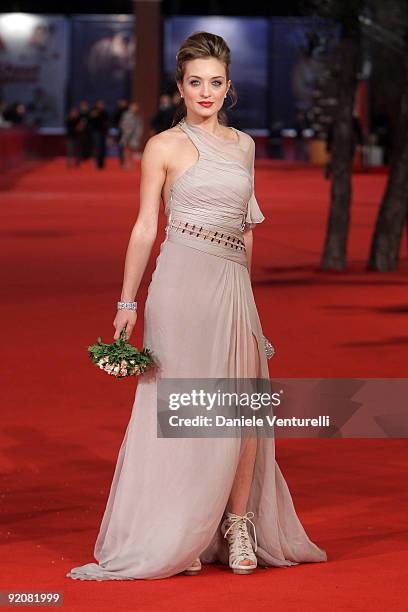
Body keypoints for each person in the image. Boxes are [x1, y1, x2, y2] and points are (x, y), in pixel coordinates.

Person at [66, 31, 327, 581]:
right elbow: (144, 226)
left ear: (228, 87)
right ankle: (179, 528)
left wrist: (249, 301)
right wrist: (126, 301)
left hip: (231, 287)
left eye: (215, 82)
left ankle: (237, 526)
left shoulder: (244, 147)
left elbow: (247, 229)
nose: (205, 92)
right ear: (180, 87)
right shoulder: (162, 146)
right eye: (194, 82)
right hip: (179, 286)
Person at [119, 101, 143, 169]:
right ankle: (125, 163)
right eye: (134, 107)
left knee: (132, 150)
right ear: (130, 107)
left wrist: (139, 134)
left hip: (134, 136)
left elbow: (139, 126)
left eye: (136, 107)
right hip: (126, 135)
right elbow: (122, 124)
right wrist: (126, 131)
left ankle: (130, 163)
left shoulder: (138, 116)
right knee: (126, 150)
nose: (135, 108)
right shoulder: (126, 115)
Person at [89, 99, 110, 169]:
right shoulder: (93, 111)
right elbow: (89, 121)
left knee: (102, 148)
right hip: (95, 132)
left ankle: (101, 164)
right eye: (99, 104)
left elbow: (107, 122)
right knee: (97, 148)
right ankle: (97, 163)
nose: (101, 105)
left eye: (102, 104)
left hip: (103, 132)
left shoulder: (104, 112)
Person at [112, 97, 129, 167]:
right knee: (121, 147)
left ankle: (127, 162)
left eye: (124, 102)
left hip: (127, 132)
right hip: (120, 132)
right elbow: (113, 121)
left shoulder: (128, 111)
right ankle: (122, 161)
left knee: (127, 147)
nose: (123, 104)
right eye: (122, 102)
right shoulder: (117, 111)